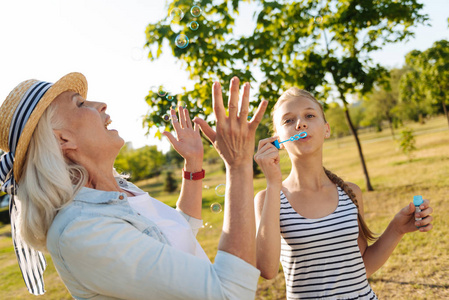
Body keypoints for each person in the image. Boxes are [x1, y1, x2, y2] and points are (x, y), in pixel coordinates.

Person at [0, 72, 268, 299]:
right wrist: (238, 165)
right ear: (62, 140)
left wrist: (194, 166)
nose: (101, 104)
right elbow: (230, 292)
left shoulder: (116, 191)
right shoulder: (81, 230)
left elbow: (179, 231)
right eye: (80, 104)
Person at [254, 87, 434, 299]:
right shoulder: (269, 197)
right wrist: (273, 184)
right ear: (278, 141)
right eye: (288, 121)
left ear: (326, 130)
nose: (300, 124)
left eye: (309, 116)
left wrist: (396, 229)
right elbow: (267, 270)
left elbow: (361, 268)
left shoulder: (350, 193)